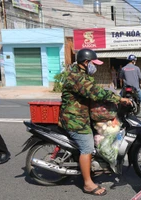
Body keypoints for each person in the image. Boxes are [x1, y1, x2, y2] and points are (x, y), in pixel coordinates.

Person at [58, 48, 130, 196]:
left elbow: (95, 89)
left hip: (82, 116)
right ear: (85, 62)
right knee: (87, 148)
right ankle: (88, 184)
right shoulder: (77, 78)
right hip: (75, 120)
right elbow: (95, 93)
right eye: (93, 63)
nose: (95, 66)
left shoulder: (82, 76)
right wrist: (118, 98)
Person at [120, 54, 141, 118]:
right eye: (135, 60)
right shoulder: (136, 68)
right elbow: (140, 77)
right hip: (135, 88)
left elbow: (121, 77)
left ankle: (116, 112)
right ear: (133, 61)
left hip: (126, 88)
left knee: (118, 97)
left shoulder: (123, 69)